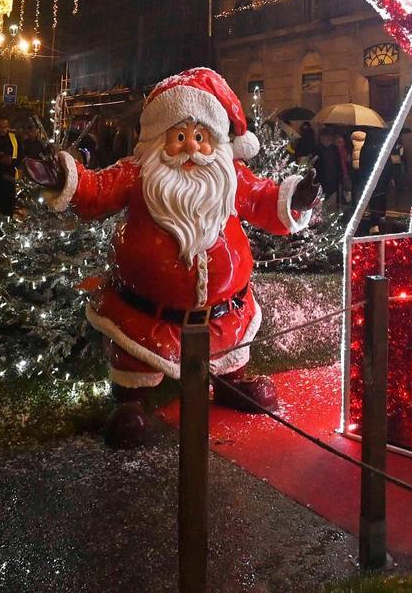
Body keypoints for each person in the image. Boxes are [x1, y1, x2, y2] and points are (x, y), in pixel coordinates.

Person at [25, 68, 322, 447]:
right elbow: (95, 189)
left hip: (225, 309)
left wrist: (294, 199)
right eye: (179, 137)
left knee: (230, 347)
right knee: (135, 356)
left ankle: (230, 382)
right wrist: (62, 178)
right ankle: (132, 400)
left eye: (200, 137)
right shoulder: (138, 175)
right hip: (145, 315)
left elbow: (265, 200)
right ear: (156, 139)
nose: (192, 148)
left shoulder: (230, 176)